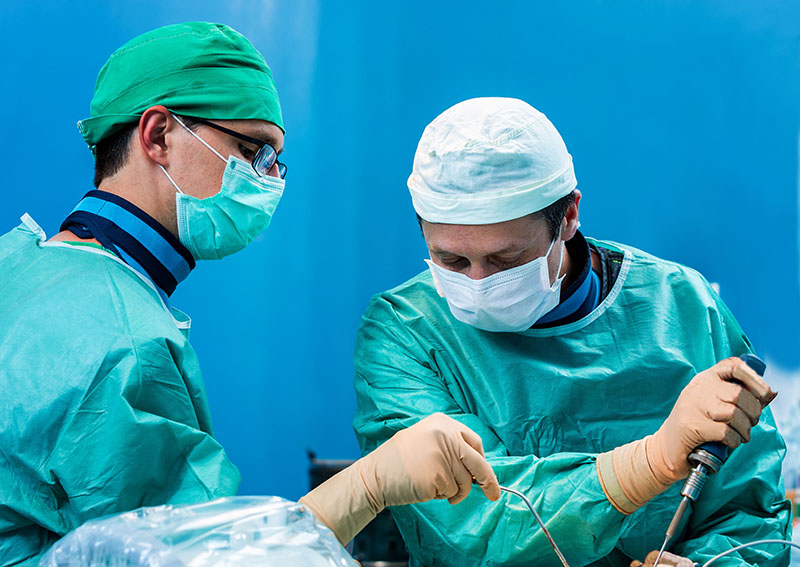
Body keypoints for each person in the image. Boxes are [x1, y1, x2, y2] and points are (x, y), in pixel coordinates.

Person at [0, 24, 500, 566]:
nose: (270, 179)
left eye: (276, 161)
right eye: (254, 151)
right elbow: (198, 560)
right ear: (159, 135)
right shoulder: (123, 344)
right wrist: (366, 487)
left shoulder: (18, 265)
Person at [352, 97, 791, 566]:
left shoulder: (683, 307)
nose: (478, 285)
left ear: (567, 217)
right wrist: (655, 460)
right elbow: (472, 525)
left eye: (505, 260)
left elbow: (747, 512)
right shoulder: (405, 332)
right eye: (452, 261)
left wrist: (710, 564)